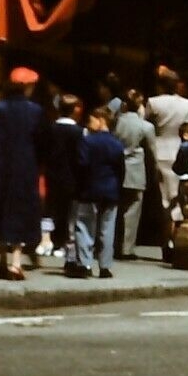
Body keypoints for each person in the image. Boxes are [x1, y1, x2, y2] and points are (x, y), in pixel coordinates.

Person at [0, 67, 48, 280]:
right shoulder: (36, 112)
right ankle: (16, 263)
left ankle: (2, 261)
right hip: (25, 169)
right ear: (27, 87)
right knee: (20, 213)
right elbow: (45, 140)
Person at [70, 106, 126, 279]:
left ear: (101, 120)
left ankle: (85, 264)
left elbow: (81, 165)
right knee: (107, 230)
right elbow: (121, 169)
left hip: (89, 190)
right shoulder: (117, 144)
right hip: (110, 190)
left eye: (91, 119)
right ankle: (105, 266)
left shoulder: (87, 142)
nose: (88, 123)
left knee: (85, 227)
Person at [146, 67, 188, 254]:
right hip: (179, 150)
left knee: (165, 199)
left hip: (159, 150)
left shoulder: (154, 102)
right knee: (177, 196)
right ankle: (174, 238)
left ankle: (169, 240)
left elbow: (146, 124)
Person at [112, 88, 156, 261]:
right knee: (132, 211)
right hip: (136, 171)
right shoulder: (145, 126)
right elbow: (153, 152)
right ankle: (126, 248)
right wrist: (154, 172)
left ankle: (113, 245)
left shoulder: (116, 122)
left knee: (115, 209)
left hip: (116, 169)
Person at [44, 93, 85, 268]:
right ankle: (62, 243)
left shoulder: (50, 129)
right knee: (68, 212)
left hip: (52, 174)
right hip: (72, 177)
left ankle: (47, 241)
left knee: (51, 207)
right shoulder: (79, 132)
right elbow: (81, 157)